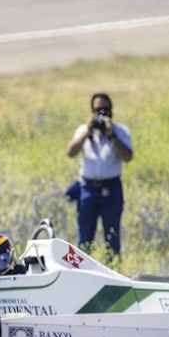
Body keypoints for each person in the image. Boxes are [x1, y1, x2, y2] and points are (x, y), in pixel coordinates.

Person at [67, 93, 133, 259]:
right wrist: (86, 132)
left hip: (111, 188)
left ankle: (113, 269)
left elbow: (128, 156)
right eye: (97, 110)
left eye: (105, 110)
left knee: (112, 237)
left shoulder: (120, 131)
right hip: (88, 188)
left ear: (111, 111)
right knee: (85, 238)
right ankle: (82, 274)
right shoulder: (83, 130)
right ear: (92, 112)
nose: (101, 114)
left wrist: (112, 135)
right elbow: (71, 152)